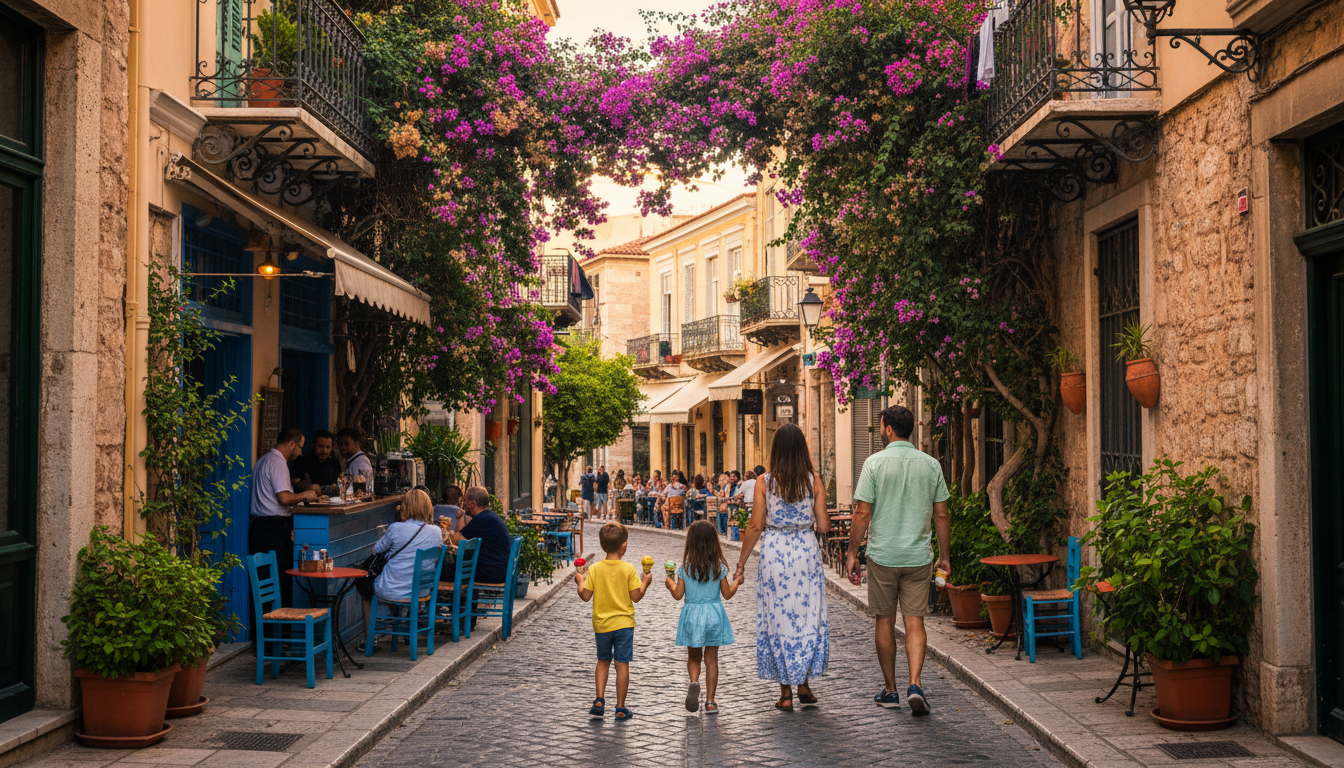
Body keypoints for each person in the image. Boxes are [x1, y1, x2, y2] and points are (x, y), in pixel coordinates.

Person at [845, 405, 950, 715]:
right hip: (918, 556)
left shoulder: (874, 464)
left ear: (888, 429)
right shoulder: (931, 465)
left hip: (883, 555)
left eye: (880, 426)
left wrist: (853, 553)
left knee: (885, 620)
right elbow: (941, 514)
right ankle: (915, 684)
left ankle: (890, 690)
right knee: (914, 621)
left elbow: (863, 513)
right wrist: (944, 558)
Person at [735, 423, 830, 712]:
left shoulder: (765, 482)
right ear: (803, 449)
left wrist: (740, 564)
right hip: (805, 553)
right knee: (807, 618)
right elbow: (824, 525)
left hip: (775, 553)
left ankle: (786, 692)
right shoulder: (813, 480)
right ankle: (804, 685)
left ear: (776, 450)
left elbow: (755, 525)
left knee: (778, 620)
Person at [576, 523, 653, 722]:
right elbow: (636, 596)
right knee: (622, 664)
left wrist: (580, 582)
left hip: (601, 625)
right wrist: (645, 581)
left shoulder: (594, 569)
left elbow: (585, 596)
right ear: (623, 546)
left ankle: (599, 700)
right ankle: (620, 707)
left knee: (603, 661)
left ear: (602, 545)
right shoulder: (628, 569)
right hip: (624, 625)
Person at [666, 521, 744, 714]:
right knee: (711, 659)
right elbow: (727, 594)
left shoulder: (685, 569)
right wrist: (737, 581)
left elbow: (678, 595)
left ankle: (694, 682)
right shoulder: (719, 568)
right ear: (713, 543)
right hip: (714, 615)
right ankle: (710, 701)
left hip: (692, 615)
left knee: (693, 656)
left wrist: (669, 584)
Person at [357, 488, 444, 641]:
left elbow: (374, 550)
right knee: (392, 582)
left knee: (366, 589)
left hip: (394, 590)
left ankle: (370, 639)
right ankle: (399, 628)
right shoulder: (436, 531)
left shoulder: (396, 528)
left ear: (406, 507)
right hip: (422, 591)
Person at [249, 426, 319, 608]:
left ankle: (265, 628)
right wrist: (306, 494)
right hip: (273, 528)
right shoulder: (278, 462)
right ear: (291, 444)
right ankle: (280, 626)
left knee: (266, 578)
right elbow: (284, 498)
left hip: (260, 526)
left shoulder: (263, 460)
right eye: (300, 447)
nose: (300, 452)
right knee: (279, 578)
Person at [447, 486, 512, 586]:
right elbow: (463, 539)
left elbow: (457, 539)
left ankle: (450, 601)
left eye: (465, 500)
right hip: (499, 571)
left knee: (443, 571)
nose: (463, 504)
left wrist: (447, 530)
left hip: (492, 573)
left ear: (472, 503)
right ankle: (466, 601)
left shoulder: (483, 520)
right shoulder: (489, 517)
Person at [289, 429, 342, 495]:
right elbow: (296, 483)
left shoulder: (334, 463)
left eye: (328, 447)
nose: (324, 450)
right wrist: (309, 487)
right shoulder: (301, 462)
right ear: (313, 446)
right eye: (320, 446)